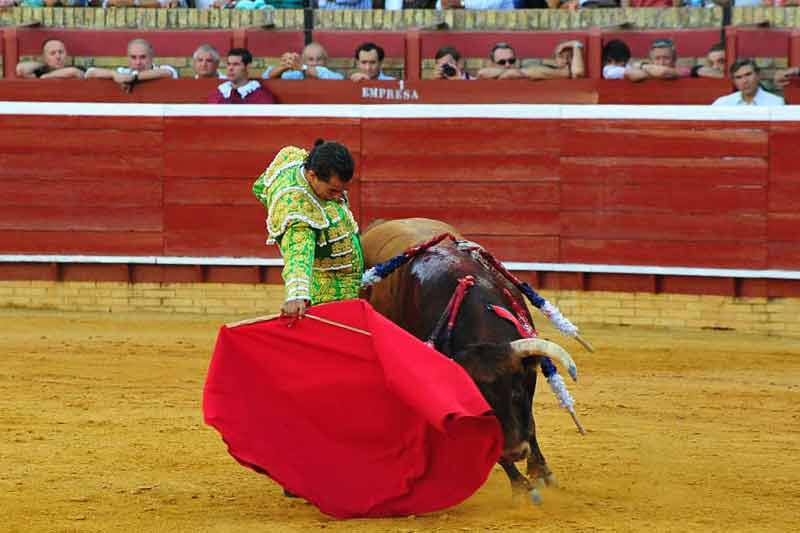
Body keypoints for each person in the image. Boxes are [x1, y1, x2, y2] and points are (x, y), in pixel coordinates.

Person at [251, 140, 363, 318]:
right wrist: (297, 295)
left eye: (343, 190)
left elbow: (259, 187)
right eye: (333, 190)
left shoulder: (291, 156)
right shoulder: (299, 212)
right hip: (328, 292)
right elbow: (298, 253)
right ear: (312, 175)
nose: (339, 196)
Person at [85, 38, 178, 93]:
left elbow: (168, 73)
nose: (138, 62)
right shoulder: (122, 72)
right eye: (133, 57)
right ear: (128, 58)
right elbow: (90, 72)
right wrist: (113, 74)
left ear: (151, 57)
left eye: (143, 57)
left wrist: (133, 78)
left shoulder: (162, 69)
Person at [208, 48, 275, 104]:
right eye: (228, 64)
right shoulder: (218, 94)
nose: (230, 68)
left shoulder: (261, 96)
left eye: (236, 64)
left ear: (247, 67)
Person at [712, 59, 784, 106]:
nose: (744, 81)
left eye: (748, 74)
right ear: (734, 81)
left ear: (758, 75)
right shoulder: (722, 103)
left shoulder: (775, 102)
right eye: (738, 77)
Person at [262, 42, 344, 80]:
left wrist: (303, 67)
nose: (315, 63)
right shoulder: (296, 75)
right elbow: (265, 76)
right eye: (310, 59)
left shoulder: (328, 74)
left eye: (319, 59)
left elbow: (339, 79)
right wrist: (286, 66)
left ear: (325, 61)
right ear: (304, 61)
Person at [15, 39, 84, 80]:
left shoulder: (78, 68)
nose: (58, 56)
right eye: (52, 53)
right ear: (45, 57)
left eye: (61, 52)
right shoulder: (40, 72)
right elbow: (20, 69)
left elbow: (73, 72)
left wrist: (46, 76)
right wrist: (43, 63)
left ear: (66, 55)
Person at [522, 40, 586, 80]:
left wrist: (575, 44)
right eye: (561, 57)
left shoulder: (572, 70)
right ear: (555, 58)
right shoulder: (547, 65)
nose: (565, 60)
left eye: (570, 57)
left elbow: (578, 72)